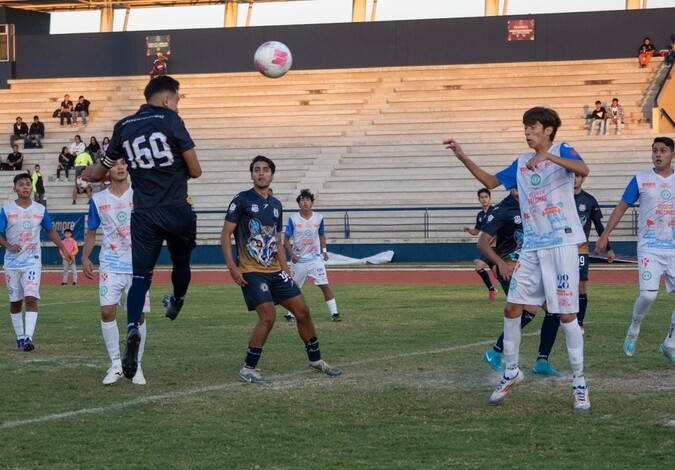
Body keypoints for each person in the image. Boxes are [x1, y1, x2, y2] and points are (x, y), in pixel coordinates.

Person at [445, 106, 591, 411]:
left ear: (548, 129)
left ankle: (579, 383)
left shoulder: (563, 150)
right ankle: (511, 371)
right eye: (525, 127)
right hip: (533, 247)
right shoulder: (522, 162)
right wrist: (463, 157)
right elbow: (490, 179)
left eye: (532, 127)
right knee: (512, 307)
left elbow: (583, 170)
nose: (527, 132)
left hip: (562, 245)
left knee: (566, 316)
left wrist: (550, 157)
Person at [83, 75, 202, 380]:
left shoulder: (123, 127)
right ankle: (176, 301)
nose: (177, 104)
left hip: (144, 213)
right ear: (166, 99)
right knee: (181, 260)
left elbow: (98, 173)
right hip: (175, 207)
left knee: (140, 277)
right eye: (176, 99)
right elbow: (196, 169)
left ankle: (133, 327)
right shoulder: (172, 119)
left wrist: (88, 172)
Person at [222, 155, 341, 384]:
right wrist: (232, 267)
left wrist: (286, 270)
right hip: (251, 271)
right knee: (268, 315)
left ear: (272, 175)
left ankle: (315, 360)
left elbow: (277, 241)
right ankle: (248, 369)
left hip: (276, 271)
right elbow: (225, 234)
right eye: (256, 169)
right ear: (252, 174)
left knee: (303, 311)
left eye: (265, 169)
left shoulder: (276, 205)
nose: (261, 173)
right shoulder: (242, 200)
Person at [595, 137, 675, 364]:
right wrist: (604, 235)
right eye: (654, 151)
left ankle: (669, 344)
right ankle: (635, 326)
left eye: (663, 151)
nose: (658, 154)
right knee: (649, 294)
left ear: (672, 155)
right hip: (650, 247)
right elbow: (621, 208)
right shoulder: (641, 179)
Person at [82, 159, 150, 385]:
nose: (120, 167)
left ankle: (137, 366)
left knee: (138, 315)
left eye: (123, 164)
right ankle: (116, 364)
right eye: (115, 164)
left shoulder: (140, 194)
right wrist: (85, 256)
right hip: (110, 264)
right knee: (107, 312)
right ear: (107, 170)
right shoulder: (98, 199)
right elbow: (91, 232)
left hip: (138, 265)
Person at [0, 173, 73, 351]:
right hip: (12, 263)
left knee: (31, 298)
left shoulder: (40, 209)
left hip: (32, 261)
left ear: (32, 187)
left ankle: (28, 338)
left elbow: (50, 231)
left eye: (28, 184)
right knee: (15, 302)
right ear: (14, 188)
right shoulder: (6, 209)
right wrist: (9, 245)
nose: (25, 187)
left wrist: (63, 248)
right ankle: (19, 337)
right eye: (21, 184)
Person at [283, 189, 342, 323]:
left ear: (312, 203)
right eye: (302, 200)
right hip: (299, 260)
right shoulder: (293, 219)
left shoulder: (319, 218)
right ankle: (290, 314)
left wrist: (324, 251)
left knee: (324, 285)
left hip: (315, 259)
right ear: (299, 203)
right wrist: (291, 254)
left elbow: (321, 234)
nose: (305, 202)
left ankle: (335, 313)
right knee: (294, 288)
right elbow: (286, 239)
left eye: (308, 200)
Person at [463, 188, 498, 303]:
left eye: (486, 197)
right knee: (498, 274)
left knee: (479, 267)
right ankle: (513, 294)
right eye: (481, 197)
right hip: (488, 247)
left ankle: (492, 290)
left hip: (495, 247)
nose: (484, 199)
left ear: (490, 198)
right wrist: (469, 230)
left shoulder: (496, 211)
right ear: (479, 199)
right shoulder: (480, 215)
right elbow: (477, 232)